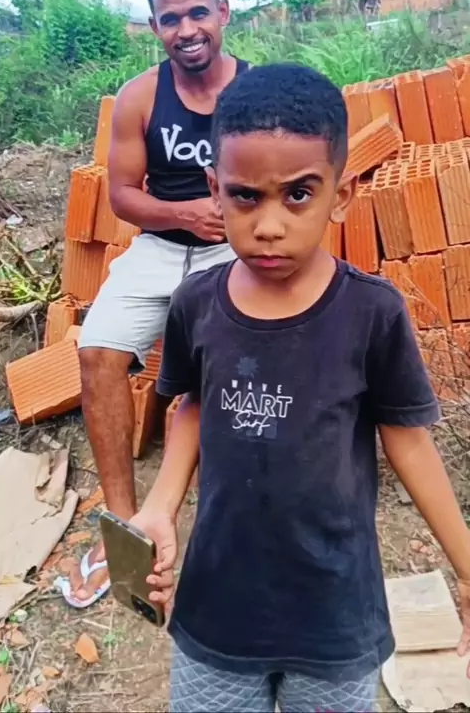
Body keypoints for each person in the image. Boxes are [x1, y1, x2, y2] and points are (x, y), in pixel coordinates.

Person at [131, 63, 470, 713]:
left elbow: (409, 442)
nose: (268, 225)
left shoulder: (371, 313)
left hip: (333, 618)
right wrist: (160, 506)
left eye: (297, 195)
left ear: (340, 195)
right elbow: (194, 404)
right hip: (217, 611)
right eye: (245, 196)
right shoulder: (195, 304)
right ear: (214, 190)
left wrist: (466, 566)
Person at [56, 0, 249, 608]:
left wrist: (235, 221)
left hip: (232, 250)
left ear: (222, 12)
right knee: (96, 353)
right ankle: (125, 531)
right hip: (160, 246)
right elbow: (122, 195)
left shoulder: (254, 94)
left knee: (239, 366)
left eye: (198, 12)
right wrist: (185, 213)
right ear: (154, 25)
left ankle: (236, 527)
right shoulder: (141, 98)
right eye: (171, 19)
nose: (187, 29)